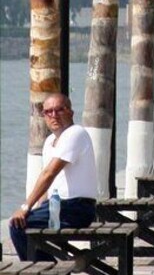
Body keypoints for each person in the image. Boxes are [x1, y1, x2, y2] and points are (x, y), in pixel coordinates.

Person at [9, 94, 98, 261]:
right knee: (21, 224)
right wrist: (37, 208)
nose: (54, 115)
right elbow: (50, 185)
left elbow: (49, 173)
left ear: (70, 112)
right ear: (43, 116)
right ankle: (47, 274)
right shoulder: (50, 141)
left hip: (76, 208)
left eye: (59, 110)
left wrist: (25, 207)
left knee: (17, 226)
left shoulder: (75, 133)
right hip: (57, 206)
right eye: (48, 112)